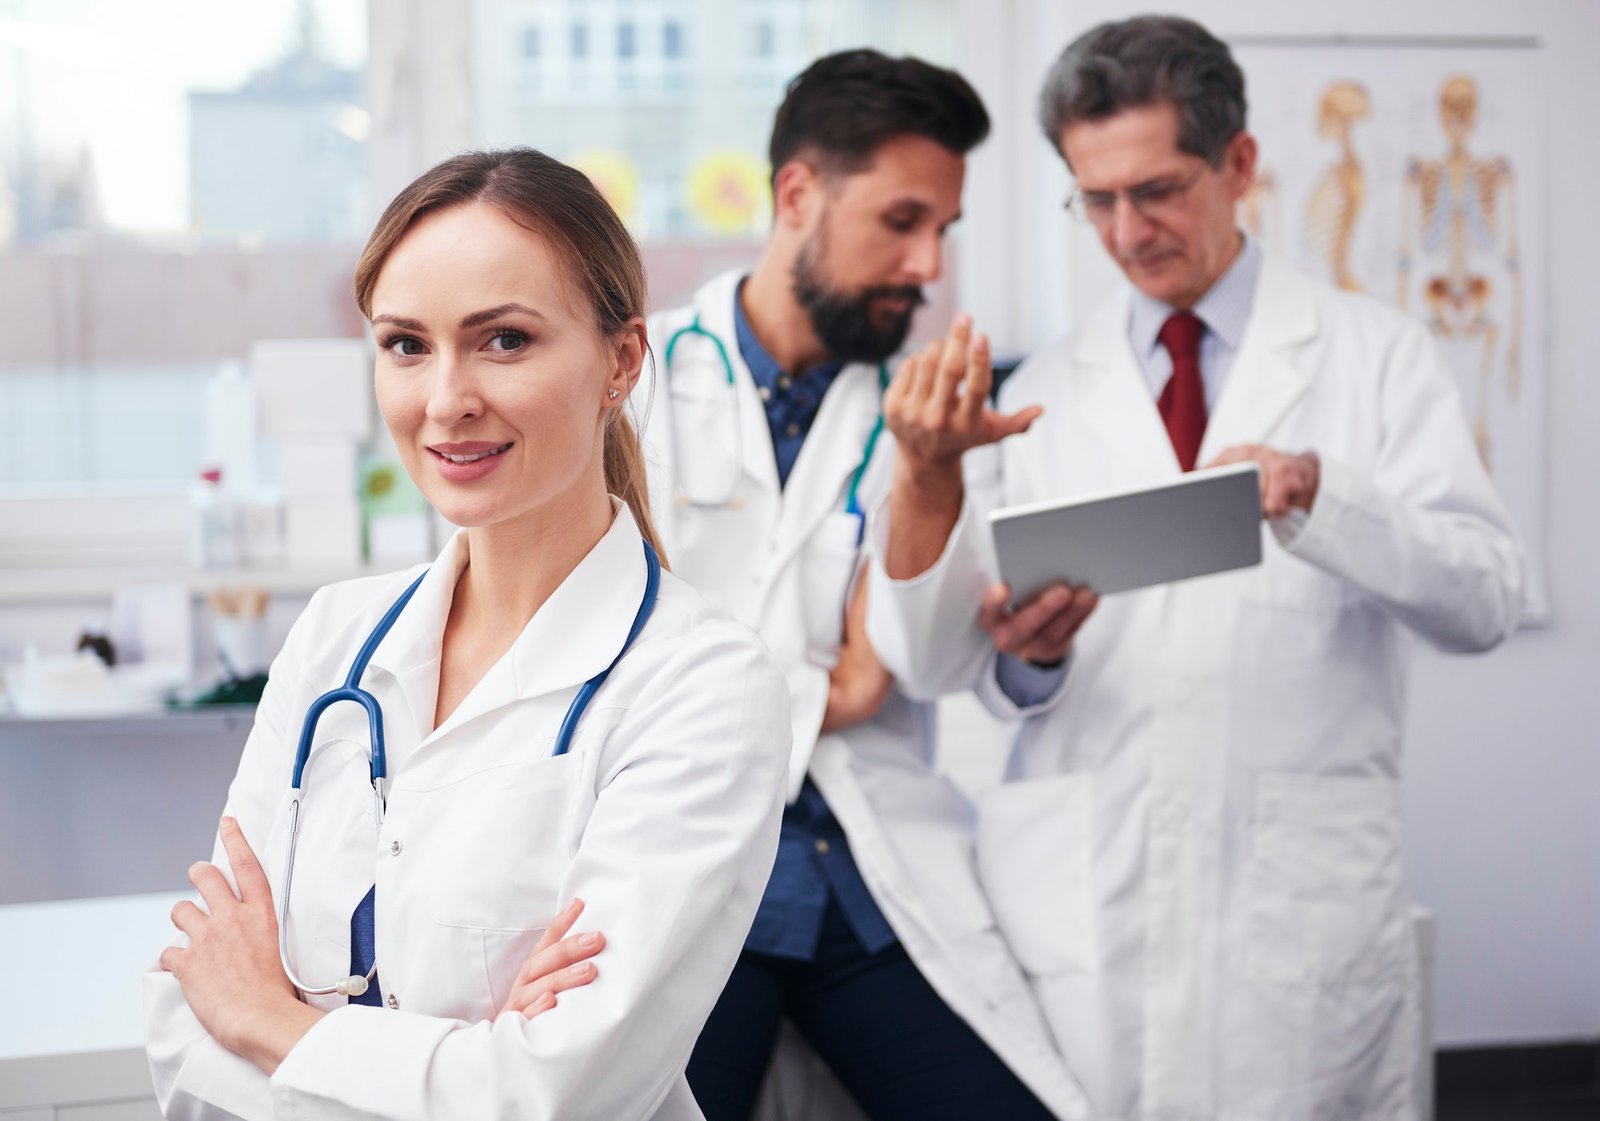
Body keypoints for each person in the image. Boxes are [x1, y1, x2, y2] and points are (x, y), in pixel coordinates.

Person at [867, 16, 1523, 1121]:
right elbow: (950, 666)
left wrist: (1325, 496)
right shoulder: (1047, 390)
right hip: (1094, 900)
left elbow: (1485, 599)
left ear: (1241, 165)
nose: (1128, 231)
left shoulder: (1372, 357)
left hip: (1295, 900)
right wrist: (1029, 661)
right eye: (1096, 199)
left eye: (1158, 189)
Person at [143, 148, 791, 1121]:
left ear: (620, 359)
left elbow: (554, 1092)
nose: (446, 398)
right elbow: (182, 1021)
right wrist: (464, 1062)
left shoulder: (702, 684)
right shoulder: (336, 637)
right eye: (407, 344)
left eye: (503, 341)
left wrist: (272, 1020)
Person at [641, 50, 1083, 1121]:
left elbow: (922, 663)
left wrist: (930, 473)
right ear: (797, 194)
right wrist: (825, 689)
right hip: (684, 873)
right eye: (901, 220)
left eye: (944, 230)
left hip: (864, 875)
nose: (928, 264)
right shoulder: (634, 382)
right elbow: (613, 661)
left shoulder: (929, 415)